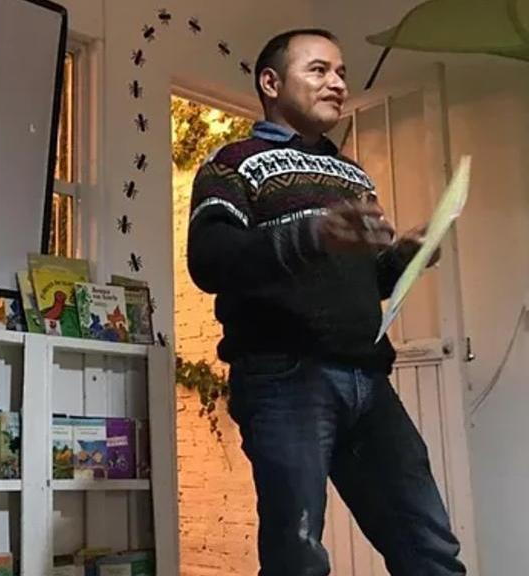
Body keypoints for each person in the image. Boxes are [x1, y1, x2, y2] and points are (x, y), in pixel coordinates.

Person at [186, 29, 466, 575]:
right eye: (318, 70)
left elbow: (361, 280)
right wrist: (312, 234)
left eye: (341, 73)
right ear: (271, 83)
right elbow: (210, 260)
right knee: (298, 557)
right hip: (283, 376)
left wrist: (404, 258)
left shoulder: (353, 174)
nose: (337, 83)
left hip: (368, 377)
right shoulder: (232, 162)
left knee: (429, 545)